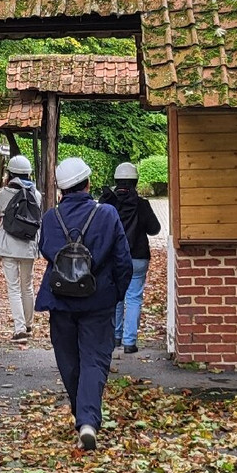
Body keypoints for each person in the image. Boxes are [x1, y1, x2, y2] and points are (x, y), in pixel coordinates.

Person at [35, 156, 131, 452]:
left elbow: (46, 251)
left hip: (60, 299)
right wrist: (116, 293)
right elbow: (123, 261)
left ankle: (83, 415)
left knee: (68, 360)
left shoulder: (51, 217)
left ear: (61, 189)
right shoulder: (107, 214)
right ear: (88, 183)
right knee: (95, 360)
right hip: (98, 300)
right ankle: (88, 419)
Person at [100, 162, 162, 354]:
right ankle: (129, 342)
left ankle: (115, 337)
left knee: (116, 298)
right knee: (134, 298)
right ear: (136, 181)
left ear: (116, 180)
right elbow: (155, 229)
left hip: (113, 258)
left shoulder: (107, 202)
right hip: (138, 257)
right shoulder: (142, 204)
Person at [0, 154, 43, 343]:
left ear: (10, 173)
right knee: (27, 286)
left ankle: (19, 329)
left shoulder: (5, 193)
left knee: (13, 288)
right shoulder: (36, 194)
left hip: (9, 245)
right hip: (28, 245)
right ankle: (29, 324)